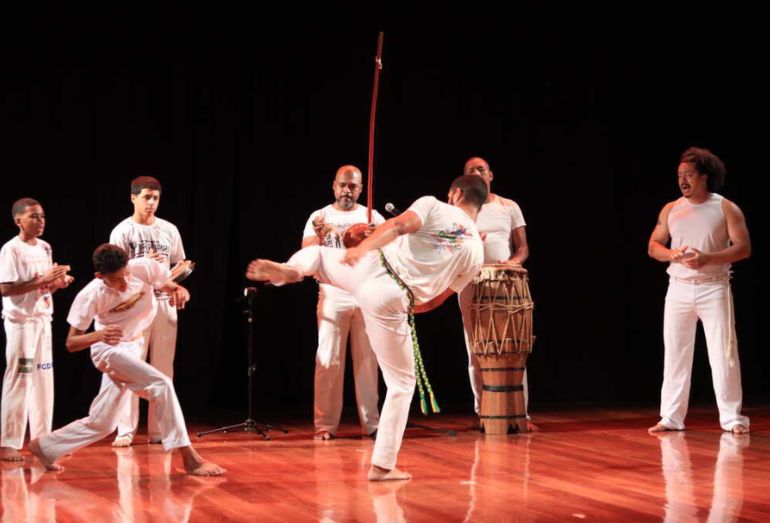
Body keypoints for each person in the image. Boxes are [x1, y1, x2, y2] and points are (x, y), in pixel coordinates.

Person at [247, 174, 486, 480]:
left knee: (319, 255)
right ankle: (383, 465)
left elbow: (397, 225)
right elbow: (438, 300)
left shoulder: (433, 204)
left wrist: (362, 249)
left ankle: (292, 270)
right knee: (401, 384)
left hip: (371, 266)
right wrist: (405, 307)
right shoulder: (476, 254)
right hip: (395, 297)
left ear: (455, 193)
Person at [28, 244, 224, 475]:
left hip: (133, 345)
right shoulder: (90, 295)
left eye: (125, 275)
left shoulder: (144, 268)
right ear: (99, 276)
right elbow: (71, 343)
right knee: (161, 384)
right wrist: (99, 334)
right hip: (108, 350)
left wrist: (178, 291)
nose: (123, 284)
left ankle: (44, 446)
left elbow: (168, 284)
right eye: (115, 280)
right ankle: (189, 457)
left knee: (103, 422)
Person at [647, 147, 750, 435]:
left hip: (713, 288)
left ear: (705, 177)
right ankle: (671, 417)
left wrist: (709, 258)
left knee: (723, 353)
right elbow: (653, 246)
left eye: (689, 175)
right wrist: (671, 253)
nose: (683, 180)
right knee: (676, 353)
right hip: (678, 289)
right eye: (680, 175)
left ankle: (731, 418)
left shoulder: (725, 207)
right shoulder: (671, 208)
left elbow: (743, 247)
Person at [302, 165, 384, 440]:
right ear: (334, 185)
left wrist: (375, 237)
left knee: (368, 360)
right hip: (333, 292)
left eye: (353, 186)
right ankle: (324, 425)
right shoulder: (319, 216)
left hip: (365, 291)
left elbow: (389, 251)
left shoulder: (372, 216)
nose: (347, 190)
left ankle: (371, 424)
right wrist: (322, 235)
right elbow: (306, 253)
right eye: (343, 185)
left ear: (361, 189)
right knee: (328, 359)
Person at [108, 175, 188, 447]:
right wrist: (141, 263)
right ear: (133, 198)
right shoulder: (122, 231)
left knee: (163, 369)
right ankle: (126, 429)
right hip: (135, 306)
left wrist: (178, 274)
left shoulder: (169, 230)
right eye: (146, 197)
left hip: (163, 303)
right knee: (132, 365)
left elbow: (179, 263)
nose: (152, 203)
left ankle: (159, 429)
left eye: (155, 198)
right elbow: (114, 273)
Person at [459, 157, 536, 430]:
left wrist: (513, 263)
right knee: (475, 349)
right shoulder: (459, 209)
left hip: (503, 283)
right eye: (471, 171)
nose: (477, 173)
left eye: (481, 169)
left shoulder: (508, 206)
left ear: (491, 174)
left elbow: (522, 247)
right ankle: (485, 412)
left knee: (511, 348)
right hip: (470, 281)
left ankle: (519, 414)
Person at [0, 198, 73, 462]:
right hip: (22, 325)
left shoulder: (45, 247)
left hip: (43, 319)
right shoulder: (11, 249)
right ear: (19, 220)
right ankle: (9, 442)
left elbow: (44, 287)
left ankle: (43, 442)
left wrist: (57, 282)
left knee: (43, 381)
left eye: (42, 216)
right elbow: (5, 288)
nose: (40, 221)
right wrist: (42, 280)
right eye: (34, 217)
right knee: (21, 378)